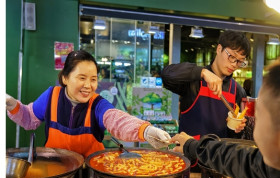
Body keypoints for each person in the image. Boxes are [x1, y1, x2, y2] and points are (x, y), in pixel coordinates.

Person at [6, 50, 170, 158]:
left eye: (93, 79)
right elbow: (28, 118)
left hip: (90, 174)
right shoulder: (51, 96)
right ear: (65, 78)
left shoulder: (98, 104)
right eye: (82, 78)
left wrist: (146, 130)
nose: (88, 85)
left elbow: (117, 120)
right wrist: (12, 104)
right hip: (55, 171)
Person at [161, 30, 250, 141]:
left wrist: (237, 130)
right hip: (189, 156)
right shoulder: (194, 80)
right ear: (219, 49)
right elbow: (166, 74)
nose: (234, 64)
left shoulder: (238, 91)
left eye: (239, 61)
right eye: (232, 57)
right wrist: (202, 73)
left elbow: (235, 139)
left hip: (218, 156)